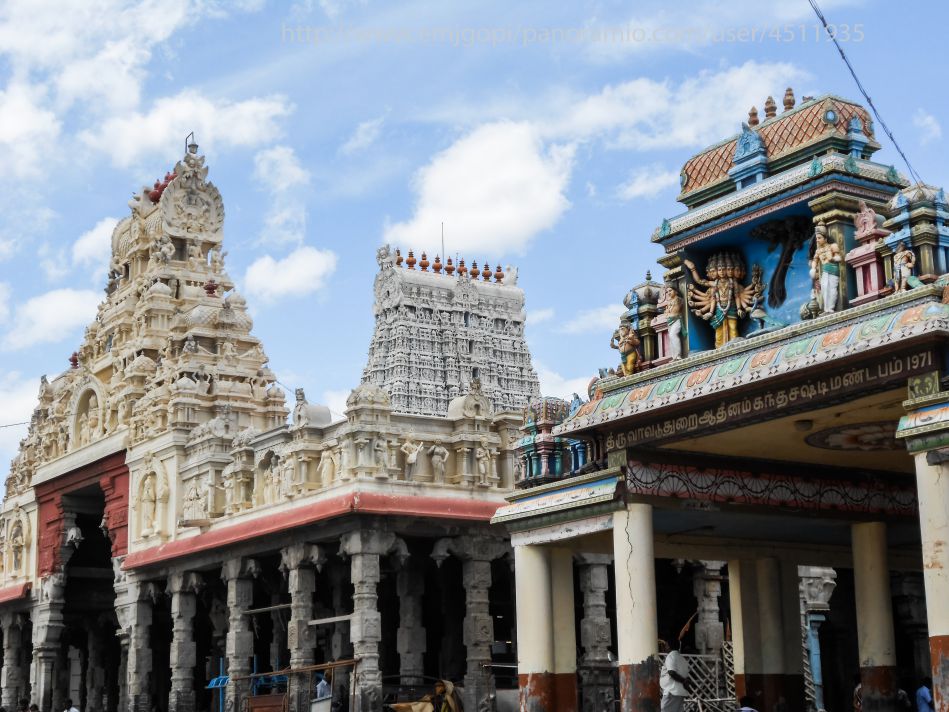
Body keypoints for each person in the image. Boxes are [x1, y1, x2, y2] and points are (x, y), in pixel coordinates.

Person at [659, 638, 690, 712]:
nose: (665, 648)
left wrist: (683, 681)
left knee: (665, 710)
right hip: (680, 692)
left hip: (672, 691)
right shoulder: (682, 659)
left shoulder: (671, 656)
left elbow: (671, 672)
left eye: (666, 645)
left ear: (669, 646)